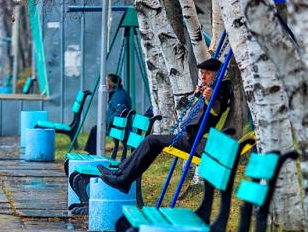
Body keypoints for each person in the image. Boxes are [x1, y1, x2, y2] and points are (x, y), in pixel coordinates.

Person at [98, 58, 232, 193]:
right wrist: (200, 96)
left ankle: (123, 178)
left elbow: (217, 108)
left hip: (200, 143)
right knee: (152, 142)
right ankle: (120, 174)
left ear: (217, 74)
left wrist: (210, 98)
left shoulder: (220, 89)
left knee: (151, 140)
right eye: (202, 73)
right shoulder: (212, 88)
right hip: (194, 138)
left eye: (207, 73)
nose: (203, 76)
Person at [83, 73, 132, 152]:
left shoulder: (119, 96)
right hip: (114, 125)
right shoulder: (117, 94)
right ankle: (92, 153)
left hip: (117, 127)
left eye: (106, 82)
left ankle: (93, 153)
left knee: (96, 129)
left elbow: (121, 112)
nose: (105, 84)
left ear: (110, 84)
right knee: (95, 129)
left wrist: (108, 122)